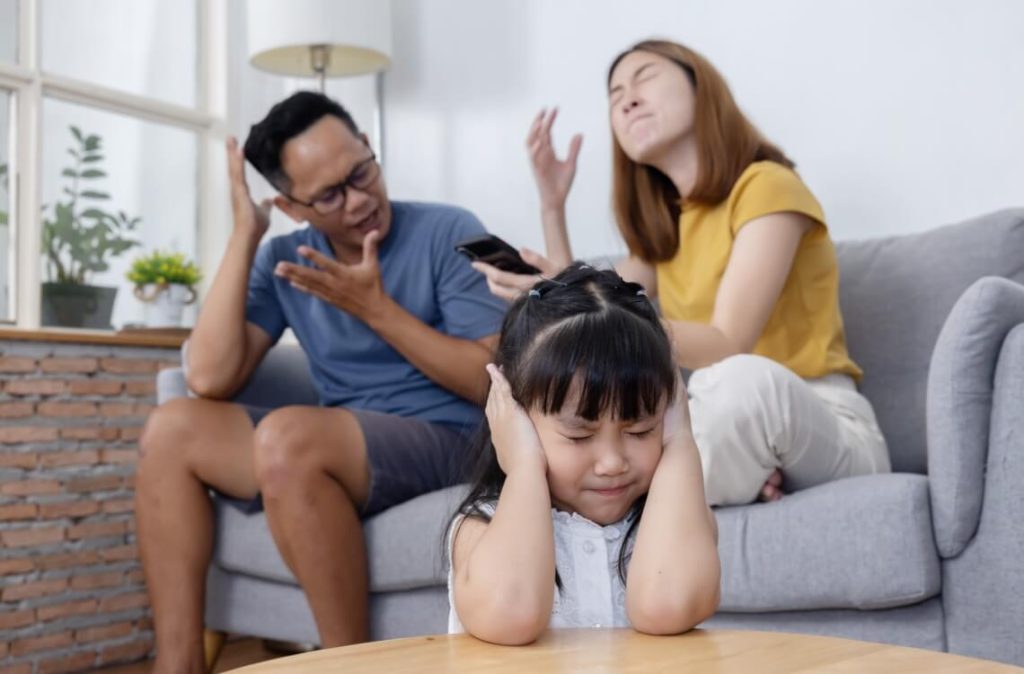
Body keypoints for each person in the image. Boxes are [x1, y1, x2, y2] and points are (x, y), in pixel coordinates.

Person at [135, 91, 507, 673]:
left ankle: (346, 664)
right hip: (343, 446)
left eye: (362, 171)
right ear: (291, 206)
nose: (360, 201)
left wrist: (376, 309)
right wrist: (245, 236)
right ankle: (176, 663)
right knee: (173, 427)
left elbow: (489, 384)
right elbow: (207, 376)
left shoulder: (446, 230)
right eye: (331, 195)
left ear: (367, 145)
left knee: (290, 439)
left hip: (449, 435)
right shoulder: (288, 257)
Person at [472, 40, 890, 507]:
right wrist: (553, 205)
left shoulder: (768, 186)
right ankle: (729, 473)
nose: (627, 98)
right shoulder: (666, 228)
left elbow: (728, 341)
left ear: (700, 89)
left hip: (818, 416)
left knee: (735, 383)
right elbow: (590, 307)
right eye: (615, 95)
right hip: (722, 418)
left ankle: (677, 484)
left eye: (645, 77)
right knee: (599, 426)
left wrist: (610, 325)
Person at [447, 264, 720, 645]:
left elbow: (668, 606)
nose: (612, 463)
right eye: (578, 435)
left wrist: (680, 443)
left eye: (640, 430)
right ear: (515, 418)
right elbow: (509, 616)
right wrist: (524, 467)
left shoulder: (678, 516)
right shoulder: (481, 526)